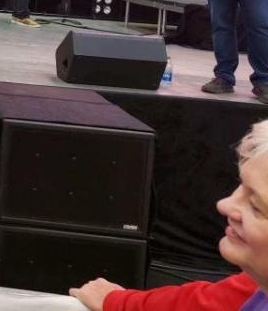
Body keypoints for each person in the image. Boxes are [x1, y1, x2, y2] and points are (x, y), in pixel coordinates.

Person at [69, 118, 268, 310]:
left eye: (256, 205)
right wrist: (119, 302)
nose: (225, 205)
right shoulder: (258, 288)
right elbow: (212, 300)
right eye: (241, 186)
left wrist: (118, 302)